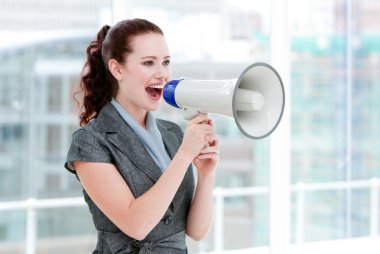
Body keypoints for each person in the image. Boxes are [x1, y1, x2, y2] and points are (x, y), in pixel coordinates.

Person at [64, 18, 219, 254]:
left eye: (166, 63)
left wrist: (206, 176)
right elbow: (137, 225)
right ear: (117, 69)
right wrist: (185, 154)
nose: (162, 74)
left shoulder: (173, 133)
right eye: (148, 63)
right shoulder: (90, 141)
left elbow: (196, 232)